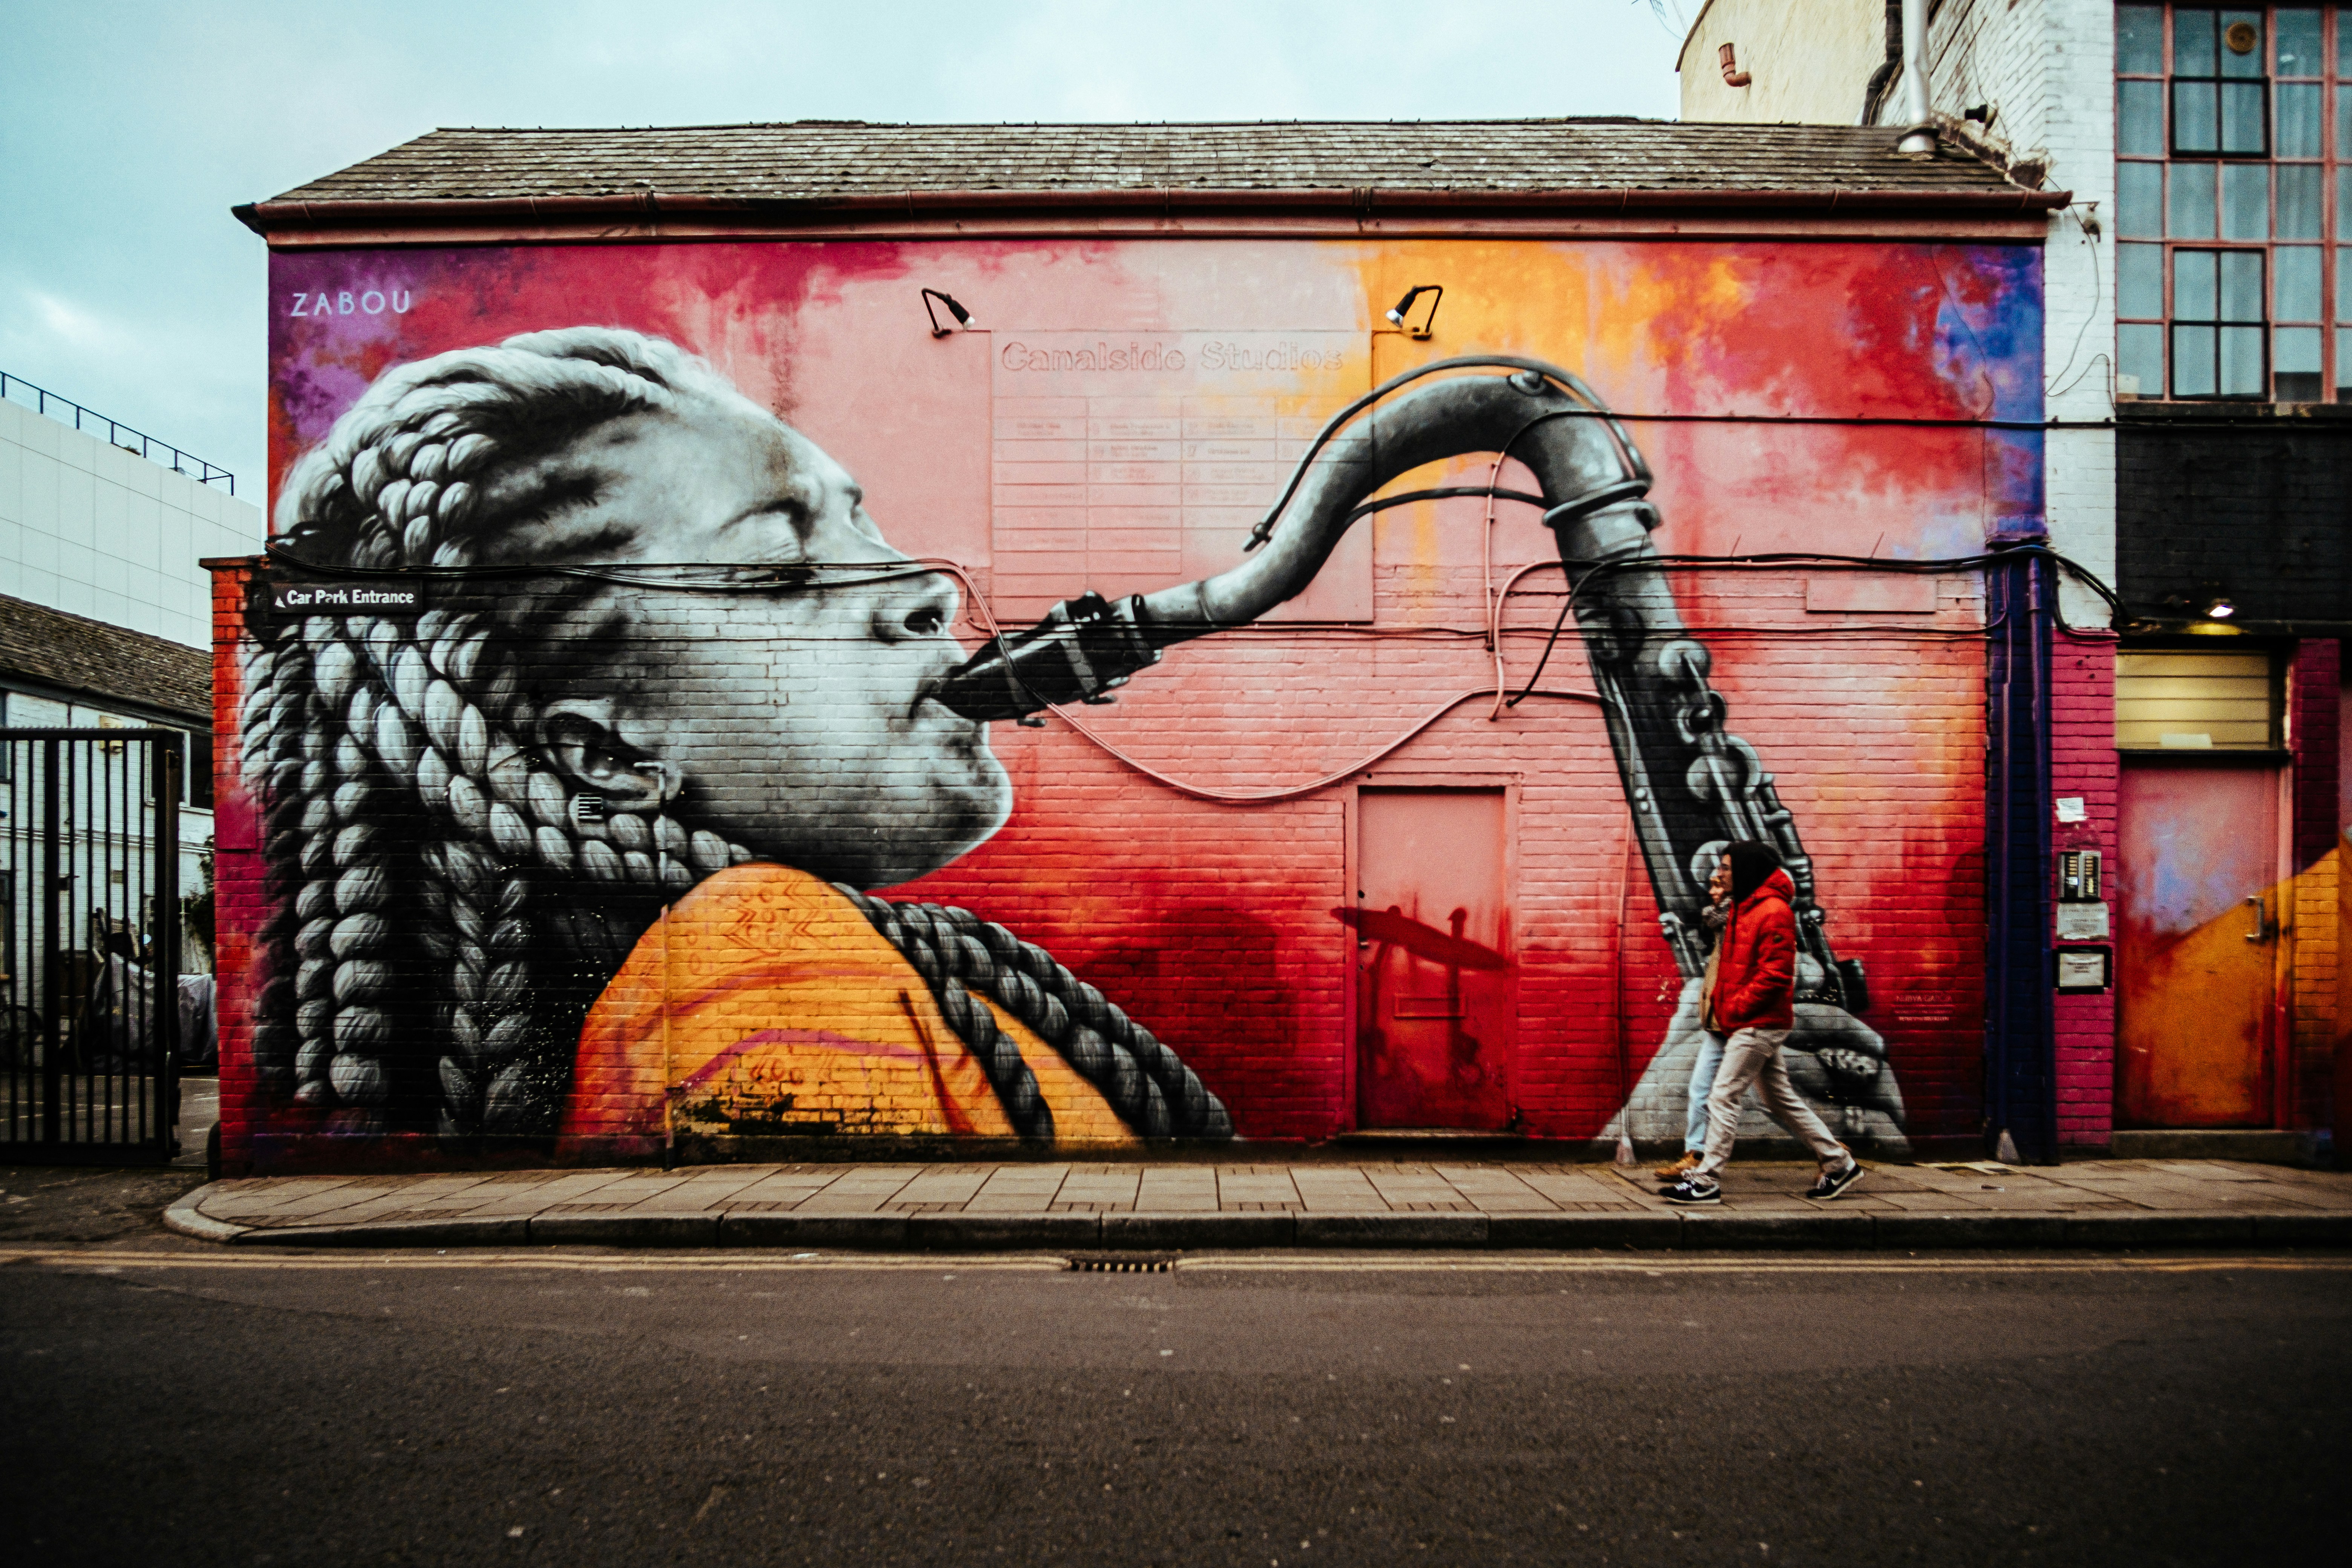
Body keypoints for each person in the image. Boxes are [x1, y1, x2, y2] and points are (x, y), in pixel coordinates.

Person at [242, 327, 1229, 1147]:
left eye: (865, 528)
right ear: (610, 757)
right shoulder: (758, 965)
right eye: (779, 570)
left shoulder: (848, 954)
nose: (928, 590)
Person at [1658, 841, 1864, 1205]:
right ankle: (1839, 1162)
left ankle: (1706, 1180)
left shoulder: (1773, 911)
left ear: (1747, 870)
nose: (1718, 874)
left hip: (1758, 1024)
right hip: (1748, 1021)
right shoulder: (1743, 907)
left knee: (1723, 1094)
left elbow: (1776, 975)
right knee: (1781, 1100)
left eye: (1726, 867)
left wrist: (1735, 1008)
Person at [1654, 853, 1733, 1182]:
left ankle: (1832, 1150)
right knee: (1702, 1087)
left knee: (1770, 1098)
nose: (1716, 879)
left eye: (1724, 871)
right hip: (1721, 1019)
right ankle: (1697, 1154)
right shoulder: (1722, 917)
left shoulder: (1748, 917)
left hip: (1743, 1020)